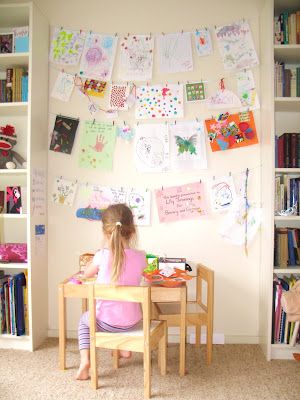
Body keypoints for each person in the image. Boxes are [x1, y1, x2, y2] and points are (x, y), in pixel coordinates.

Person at [76, 203, 146, 380]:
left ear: (105, 232)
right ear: (132, 231)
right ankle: (125, 349)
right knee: (122, 313)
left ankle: (85, 361)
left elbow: (85, 274)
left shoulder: (101, 255)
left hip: (106, 323)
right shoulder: (141, 257)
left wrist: (93, 271)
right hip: (133, 322)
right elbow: (146, 276)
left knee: (84, 322)